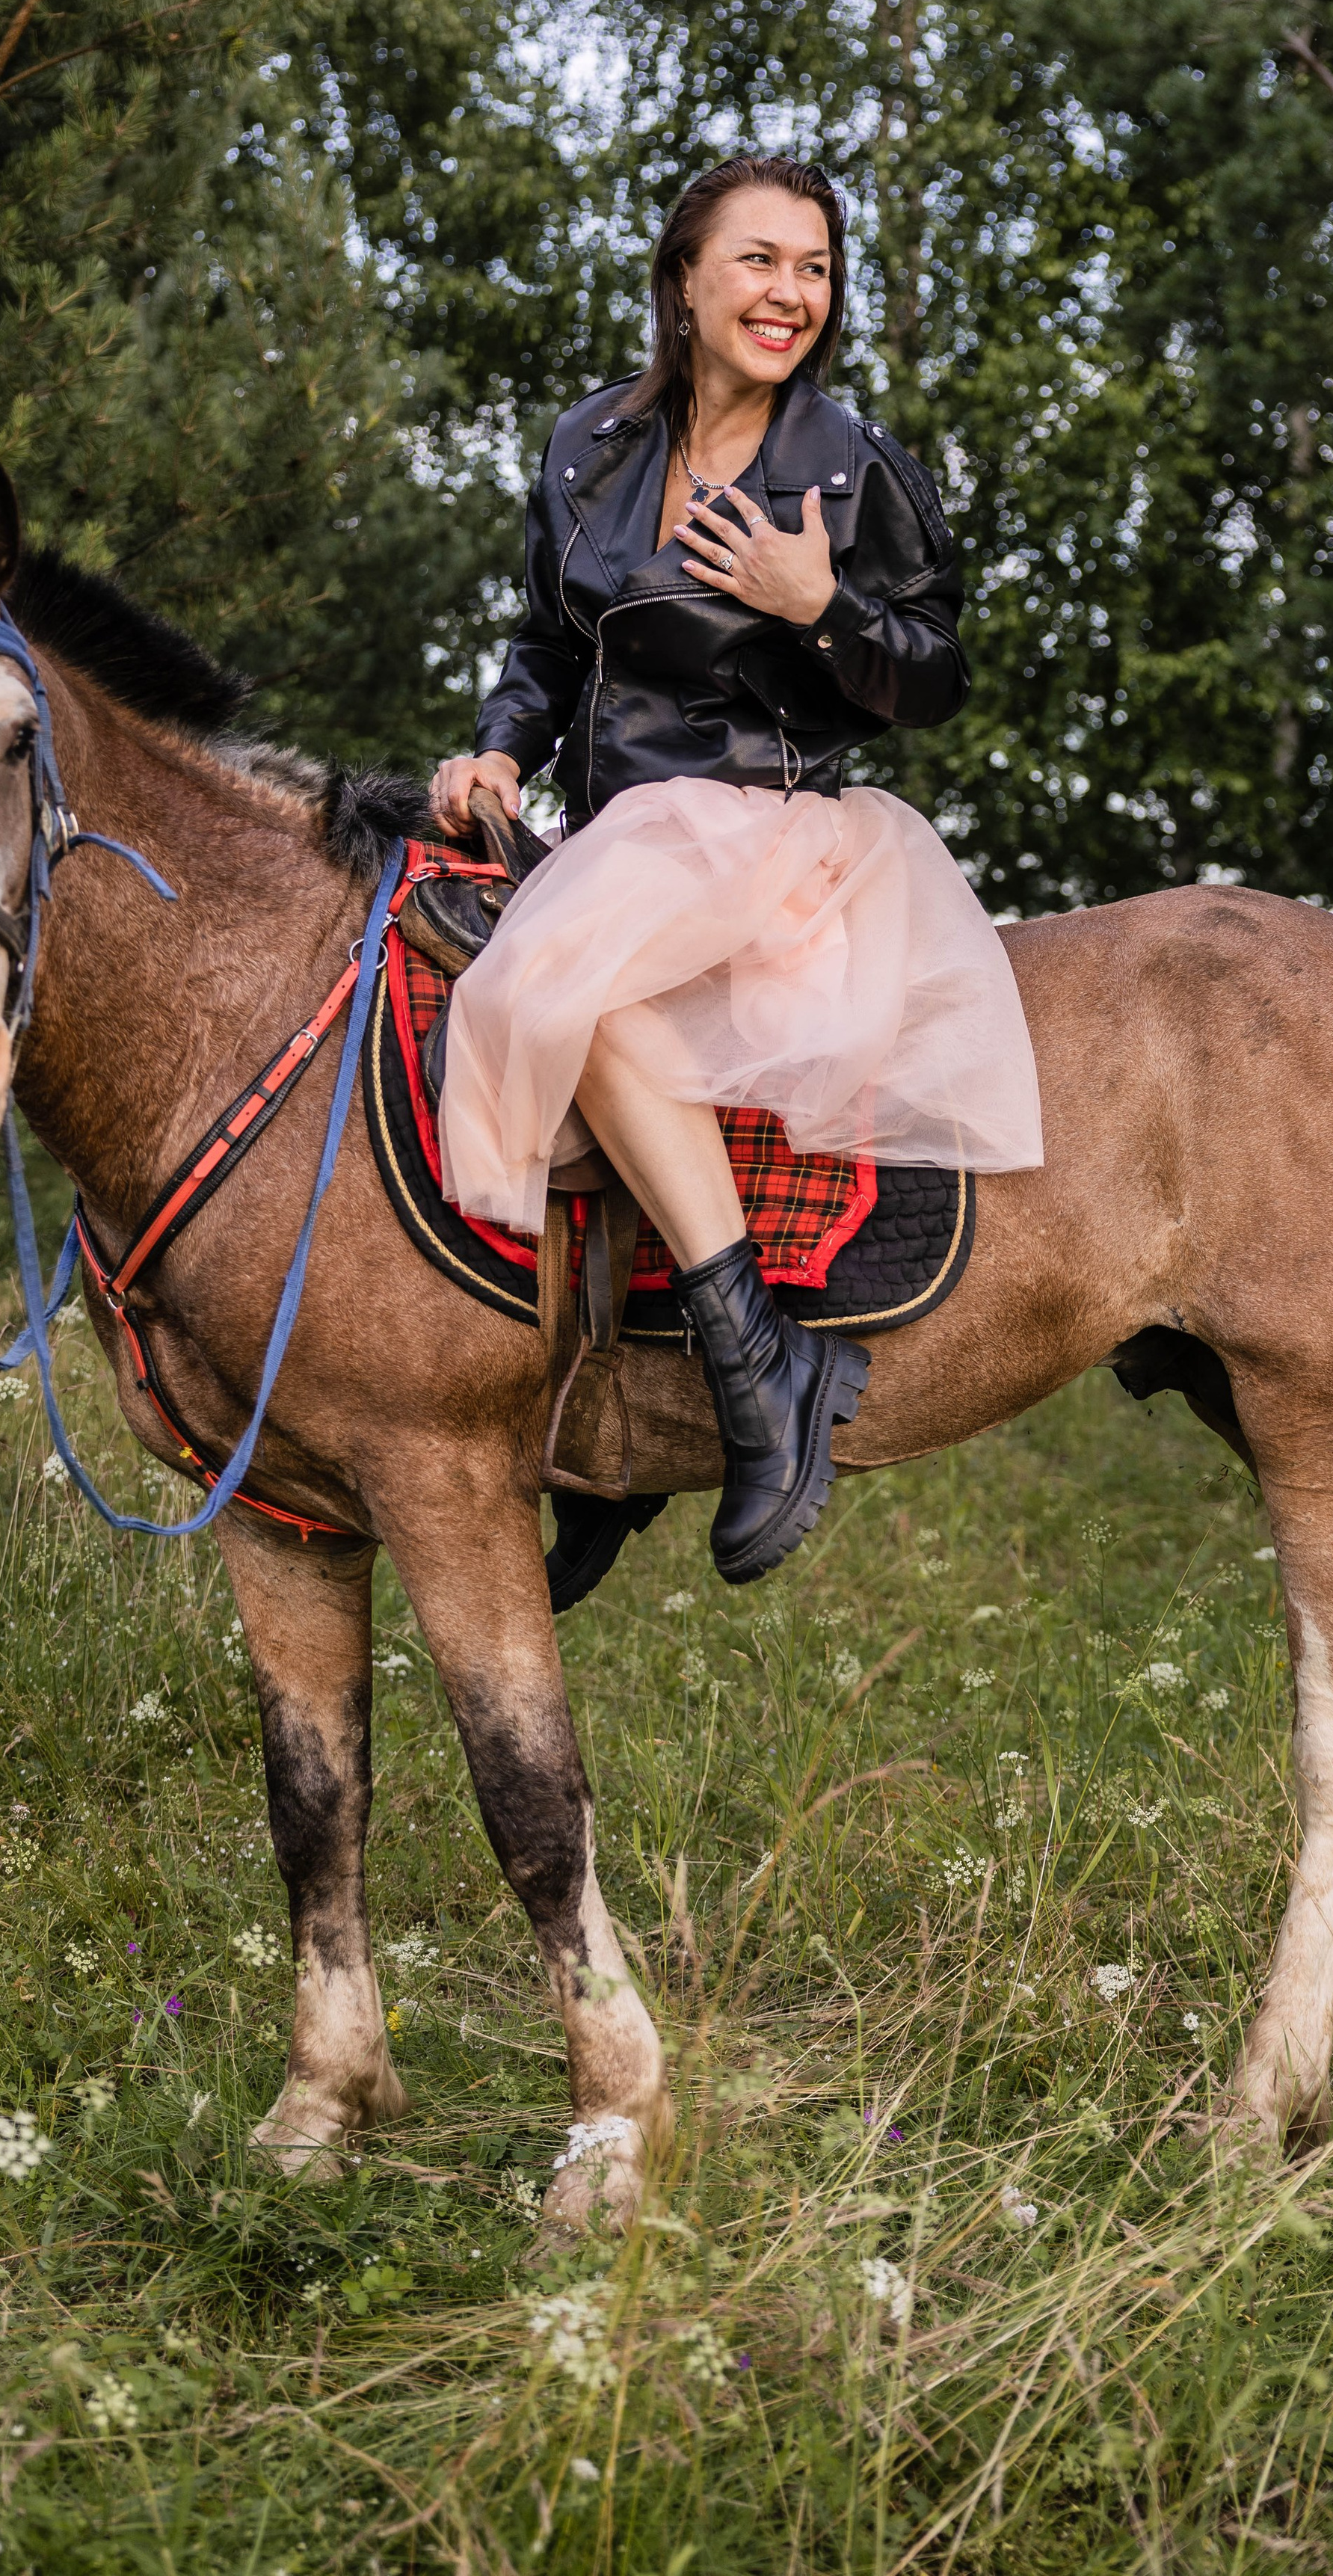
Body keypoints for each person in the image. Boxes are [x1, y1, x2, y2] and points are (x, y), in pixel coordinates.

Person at [430, 153, 1043, 1596]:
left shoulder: (849, 462)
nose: (791, 294)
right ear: (685, 278)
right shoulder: (589, 448)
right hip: (617, 838)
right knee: (497, 1000)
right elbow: (548, 646)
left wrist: (821, 606)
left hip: (765, 832)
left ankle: (760, 1367)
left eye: (815, 269)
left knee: (558, 999)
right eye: (761, 260)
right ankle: (614, 1421)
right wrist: (499, 752)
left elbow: (938, 672)